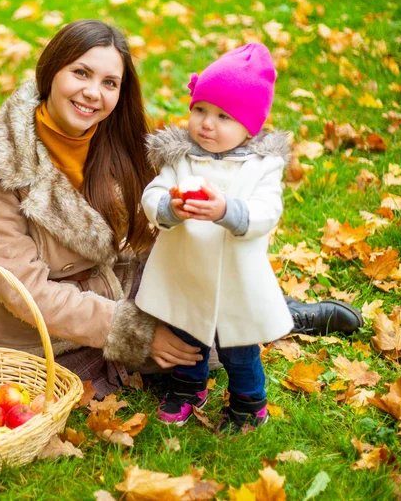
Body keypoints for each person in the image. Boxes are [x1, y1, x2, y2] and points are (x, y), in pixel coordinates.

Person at [0, 20, 363, 399]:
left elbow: (193, 181)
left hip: (123, 281)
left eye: (109, 82)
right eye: (81, 73)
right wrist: (137, 331)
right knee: (176, 351)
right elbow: (23, 290)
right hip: (48, 325)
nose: (93, 93)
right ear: (50, 72)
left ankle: (275, 312)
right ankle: (228, 324)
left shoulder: (119, 137)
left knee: (208, 328)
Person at [134, 43, 347, 433]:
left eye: (222, 116)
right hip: (184, 271)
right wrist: (170, 207)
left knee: (238, 348)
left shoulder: (262, 166)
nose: (206, 123)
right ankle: (188, 387)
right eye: (200, 110)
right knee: (187, 335)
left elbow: (268, 211)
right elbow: (152, 194)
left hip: (235, 279)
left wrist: (227, 211)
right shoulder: (181, 158)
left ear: (249, 126)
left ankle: (250, 403)